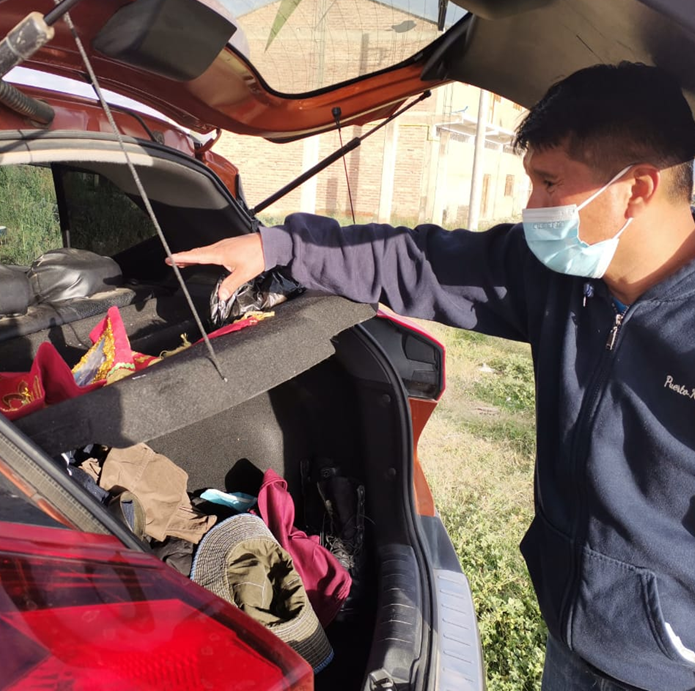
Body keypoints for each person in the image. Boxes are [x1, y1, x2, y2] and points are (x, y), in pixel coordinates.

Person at [167, 62, 695, 691]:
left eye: (550, 182)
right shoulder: (559, 281)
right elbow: (418, 261)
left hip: (667, 666)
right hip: (571, 631)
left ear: (636, 189)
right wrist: (277, 248)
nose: (531, 207)